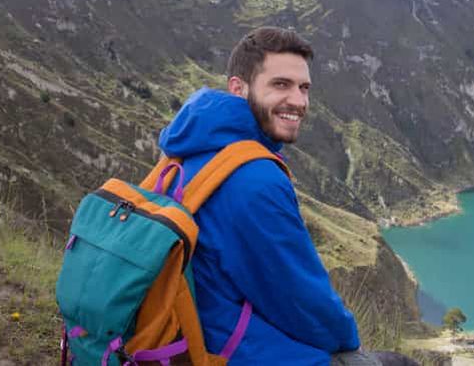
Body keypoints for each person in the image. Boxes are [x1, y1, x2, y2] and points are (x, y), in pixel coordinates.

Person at [158, 26, 380, 365]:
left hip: (182, 336)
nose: (299, 101)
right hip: (231, 351)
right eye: (281, 85)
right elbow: (301, 299)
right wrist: (351, 344)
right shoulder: (254, 178)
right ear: (238, 88)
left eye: (304, 88)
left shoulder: (183, 153)